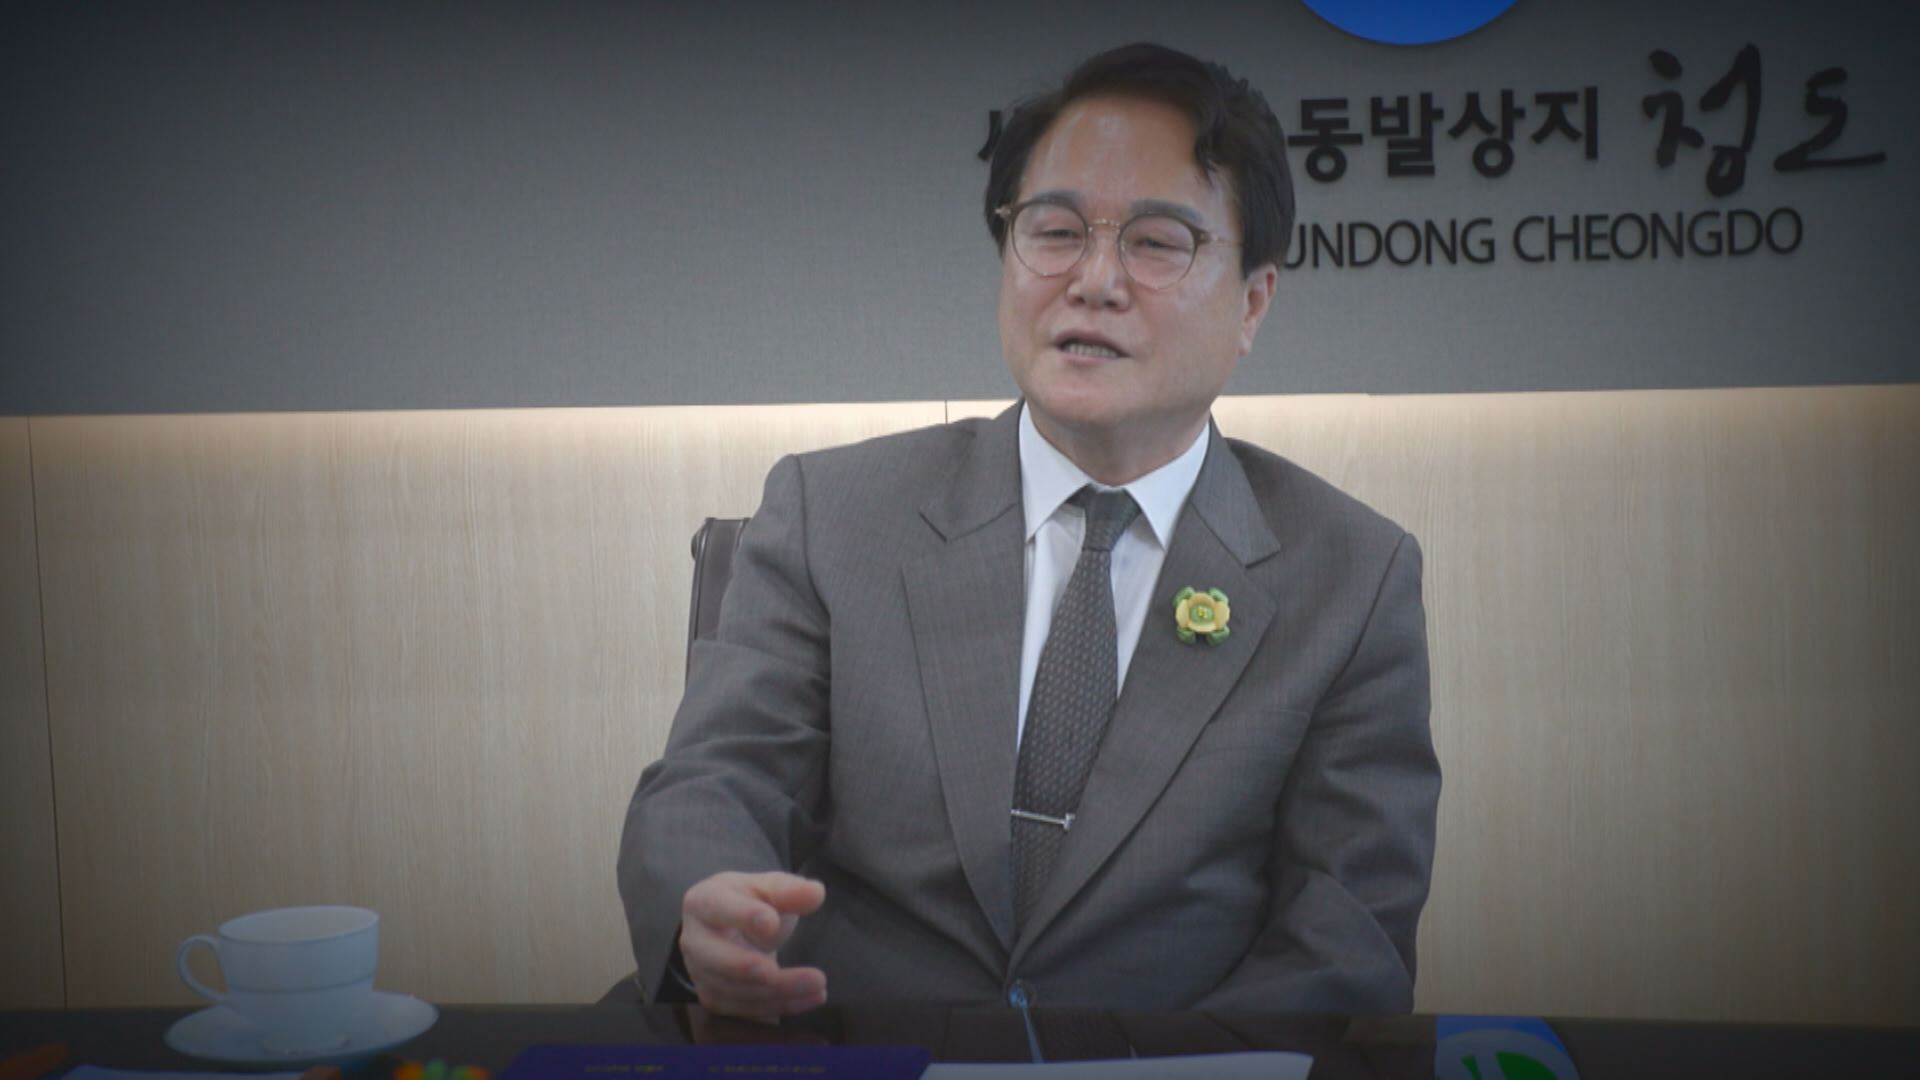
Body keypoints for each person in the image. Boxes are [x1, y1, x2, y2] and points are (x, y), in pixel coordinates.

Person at [617, 42, 1439, 1021]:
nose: (1095, 281)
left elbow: (1346, 933)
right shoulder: (833, 513)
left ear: (1252, 301)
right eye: (1056, 232)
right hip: (857, 1046)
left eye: (1157, 242)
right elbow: (717, 778)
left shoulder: (1350, 576)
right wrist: (704, 904)